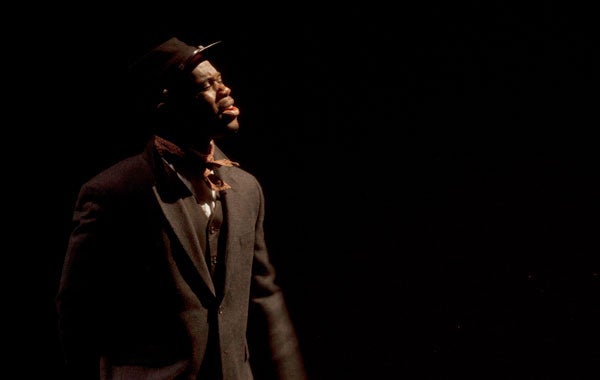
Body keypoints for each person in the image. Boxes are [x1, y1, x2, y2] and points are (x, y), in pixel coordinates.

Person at [56, 36, 307, 380]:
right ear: (168, 103)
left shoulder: (247, 190)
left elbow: (264, 297)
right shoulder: (116, 192)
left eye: (221, 79)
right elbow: (77, 312)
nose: (225, 90)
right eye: (207, 84)